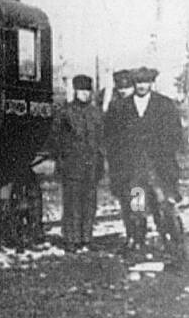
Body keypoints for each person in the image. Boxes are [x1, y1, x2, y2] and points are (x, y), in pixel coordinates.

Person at [108, 67, 185, 267]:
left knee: (164, 206)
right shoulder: (121, 107)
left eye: (146, 82)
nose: (142, 86)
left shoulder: (164, 105)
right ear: (134, 84)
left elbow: (176, 135)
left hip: (159, 169)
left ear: (152, 83)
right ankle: (137, 242)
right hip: (135, 171)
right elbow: (113, 138)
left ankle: (173, 245)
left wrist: (163, 152)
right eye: (139, 82)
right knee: (137, 207)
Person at [49, 75, 104, 250]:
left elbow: (101, 139)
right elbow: (56, 139)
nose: (85, 94)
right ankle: (71, 240)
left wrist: (100, 161)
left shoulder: (95, 113)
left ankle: (86, 238)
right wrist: (61, 160)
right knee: (72, 204)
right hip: (72, 166)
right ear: (75, 91)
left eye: (88, 91)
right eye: (81, 91)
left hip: (92, 166)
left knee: (89, 204)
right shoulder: (65, 112)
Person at [103, 69, 143, 246]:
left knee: (138, 203)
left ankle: (139, 237)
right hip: (120, 166)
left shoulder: (141, 106)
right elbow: (109, 136)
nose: (123, 90)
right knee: (126, 204)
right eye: (120, 87)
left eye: (126, 87)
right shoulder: (114, 108)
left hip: (139, 167)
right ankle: (130, 236)